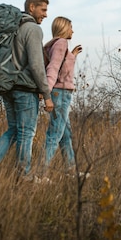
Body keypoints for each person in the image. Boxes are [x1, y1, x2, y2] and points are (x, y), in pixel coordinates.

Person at [0, 0, 54, 181]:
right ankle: (24, 175)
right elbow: (37, 66)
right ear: (31, 7)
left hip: (7, 87)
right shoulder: (32, 29)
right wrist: (46, 94)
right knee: (27, 132)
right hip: (25, 88)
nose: (45, 15)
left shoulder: (12, 28)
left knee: (14, 128)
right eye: (43, 9)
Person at [42, 16, 83, 175]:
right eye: (70, 27)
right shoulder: (61, 43)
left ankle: (71, 169)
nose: (72, 30)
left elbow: (61, 67)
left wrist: (71, 56)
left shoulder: (55, 46)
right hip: (60, 94)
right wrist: (46, 94)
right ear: (64, 28)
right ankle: (40, 173)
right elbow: (52, 69)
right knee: (54, 134)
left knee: (66, 135)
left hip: (61, 93)